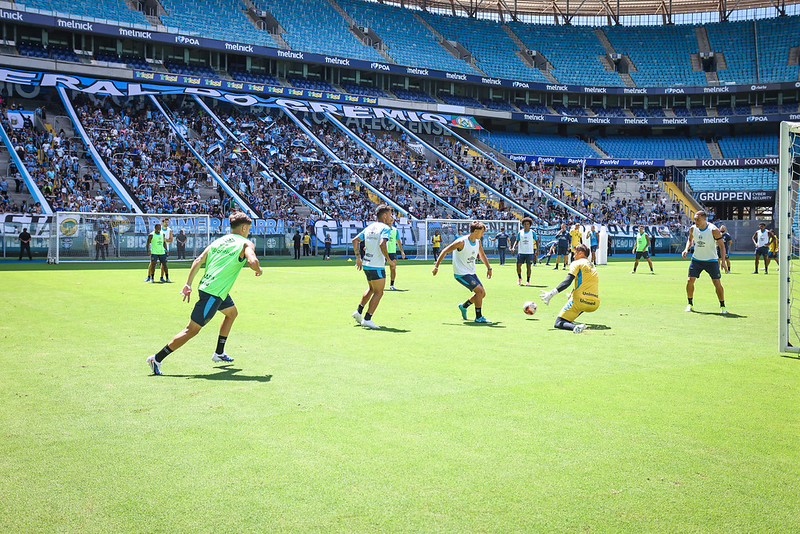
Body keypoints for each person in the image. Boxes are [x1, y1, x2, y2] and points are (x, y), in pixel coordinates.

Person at [146, 212, 262, 376]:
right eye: (248, 228)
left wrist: (188, 283)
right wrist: (259, 269)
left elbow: (198, 260)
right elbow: (252, 262)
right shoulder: (246, 243)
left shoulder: (219, 241)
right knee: (191, 330)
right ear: (244, 227)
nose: (248, 231)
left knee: (232, 313)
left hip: (210, 288)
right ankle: (156, 358)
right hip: (213, 293)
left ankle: (219, 353)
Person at [432, 220, 493, 324]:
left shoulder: (478, 241)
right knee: (479, 292)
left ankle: (464, 306)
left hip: (471, 272)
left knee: (482, 294)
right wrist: (436, 267)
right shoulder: (461, 242)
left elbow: (482, 255)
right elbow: (444, 251)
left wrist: (489, 268)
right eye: (482, 232)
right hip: (461, 274)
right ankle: (478, 317)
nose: (483, 234)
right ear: (475, 231)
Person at [351, 205, 395, 330]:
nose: (391, 217)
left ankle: (358, 312)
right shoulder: (385, 228)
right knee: (379, 292)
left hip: (366, 264)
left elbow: (355, 240)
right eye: (390, 215)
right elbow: (382, 243)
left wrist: (358, 258)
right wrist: (389, 260)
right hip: (376, 265)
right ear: (385, 215)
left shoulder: (369, 227)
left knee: (371, 289)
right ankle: (367, 319)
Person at [540, 243, 598, 334]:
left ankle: (576, 327)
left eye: (575, 253)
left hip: (581, 302)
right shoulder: (592, 265)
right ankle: (570, 318)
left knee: (559, 322)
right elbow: (586, 284)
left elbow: (567, 282)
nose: (573, 256)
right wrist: (572, 293)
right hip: (594, 303)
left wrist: (551, 293)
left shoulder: (577, 263)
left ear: (581, 253)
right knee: (569, 316)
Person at [683, 210, 727, 314]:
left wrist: (723, 262)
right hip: (696, 260)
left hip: (711, 261)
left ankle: (723, 306)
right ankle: (690, 304)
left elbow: (722, 246)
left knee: (717, 283)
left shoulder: (714, 230)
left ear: (704, 219)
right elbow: (690, 240)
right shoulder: (693, 228)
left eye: (697, 219)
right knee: (690, 280)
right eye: (694, 219)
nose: (695, 221)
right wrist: (686, 249)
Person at [511, 217, 537, 286]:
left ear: (530, 225)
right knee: (518, 266)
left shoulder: (532, 233)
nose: (526, 225)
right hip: (521, 252)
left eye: (527, 224)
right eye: (525, 224)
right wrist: (513, 247)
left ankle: (528, 281)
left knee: (528, 267)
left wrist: (536, 250)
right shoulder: (520, 232)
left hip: (529, 252)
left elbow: (537, 241)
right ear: (523, 225)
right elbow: (517, 240)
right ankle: (519, 278)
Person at [387, 225, 406, 290]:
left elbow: (398, 241)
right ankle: (378, 285)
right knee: (380, 269)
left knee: (393, 268)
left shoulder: (395, 230)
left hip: (392, 252)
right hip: (382, 251)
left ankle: (392, 285)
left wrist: (402, 251)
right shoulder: (382, 229)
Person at [159, 218, 173, 282]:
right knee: (152, 263)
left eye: (167, 222)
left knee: (163, 264)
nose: (167, 224)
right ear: (163, 223)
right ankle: (150, 277)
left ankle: (162, 277)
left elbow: (171, 240)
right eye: (165, 222)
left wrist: (165, 240)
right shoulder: (159, 229)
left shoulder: (169, 230)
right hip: (157, 248)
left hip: (165, 249)